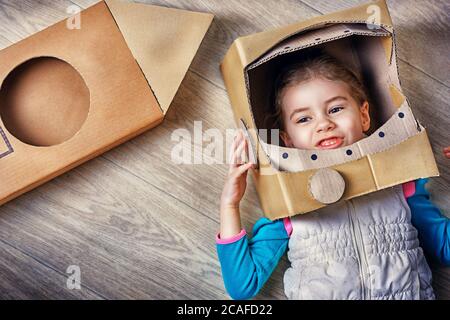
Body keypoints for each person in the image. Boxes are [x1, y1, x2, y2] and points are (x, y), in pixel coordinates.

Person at [217, 53, 449, 300]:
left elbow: (445, 249)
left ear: (364, 116)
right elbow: (243, 286)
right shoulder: (287, 207)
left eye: (335, 109)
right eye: (304, 118)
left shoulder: (402, 186)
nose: (324, 123)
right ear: (288, 140)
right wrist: (229, 206)